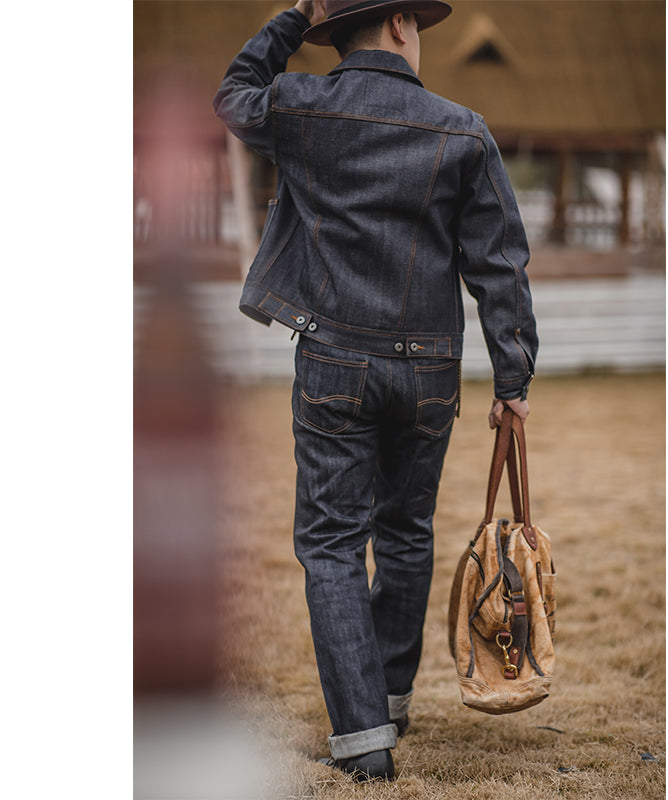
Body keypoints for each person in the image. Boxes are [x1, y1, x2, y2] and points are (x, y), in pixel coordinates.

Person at [213, 0, 538, 781]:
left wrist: (293, 18)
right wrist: (512, 378)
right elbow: (499, 264)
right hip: (430, 368)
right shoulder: (463, 128)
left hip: (333, 360)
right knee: (404, 533)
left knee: (331, 543)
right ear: (400, 24)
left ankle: (363, 741)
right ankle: (389, 699)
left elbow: (233, 93)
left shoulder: (299, 105)